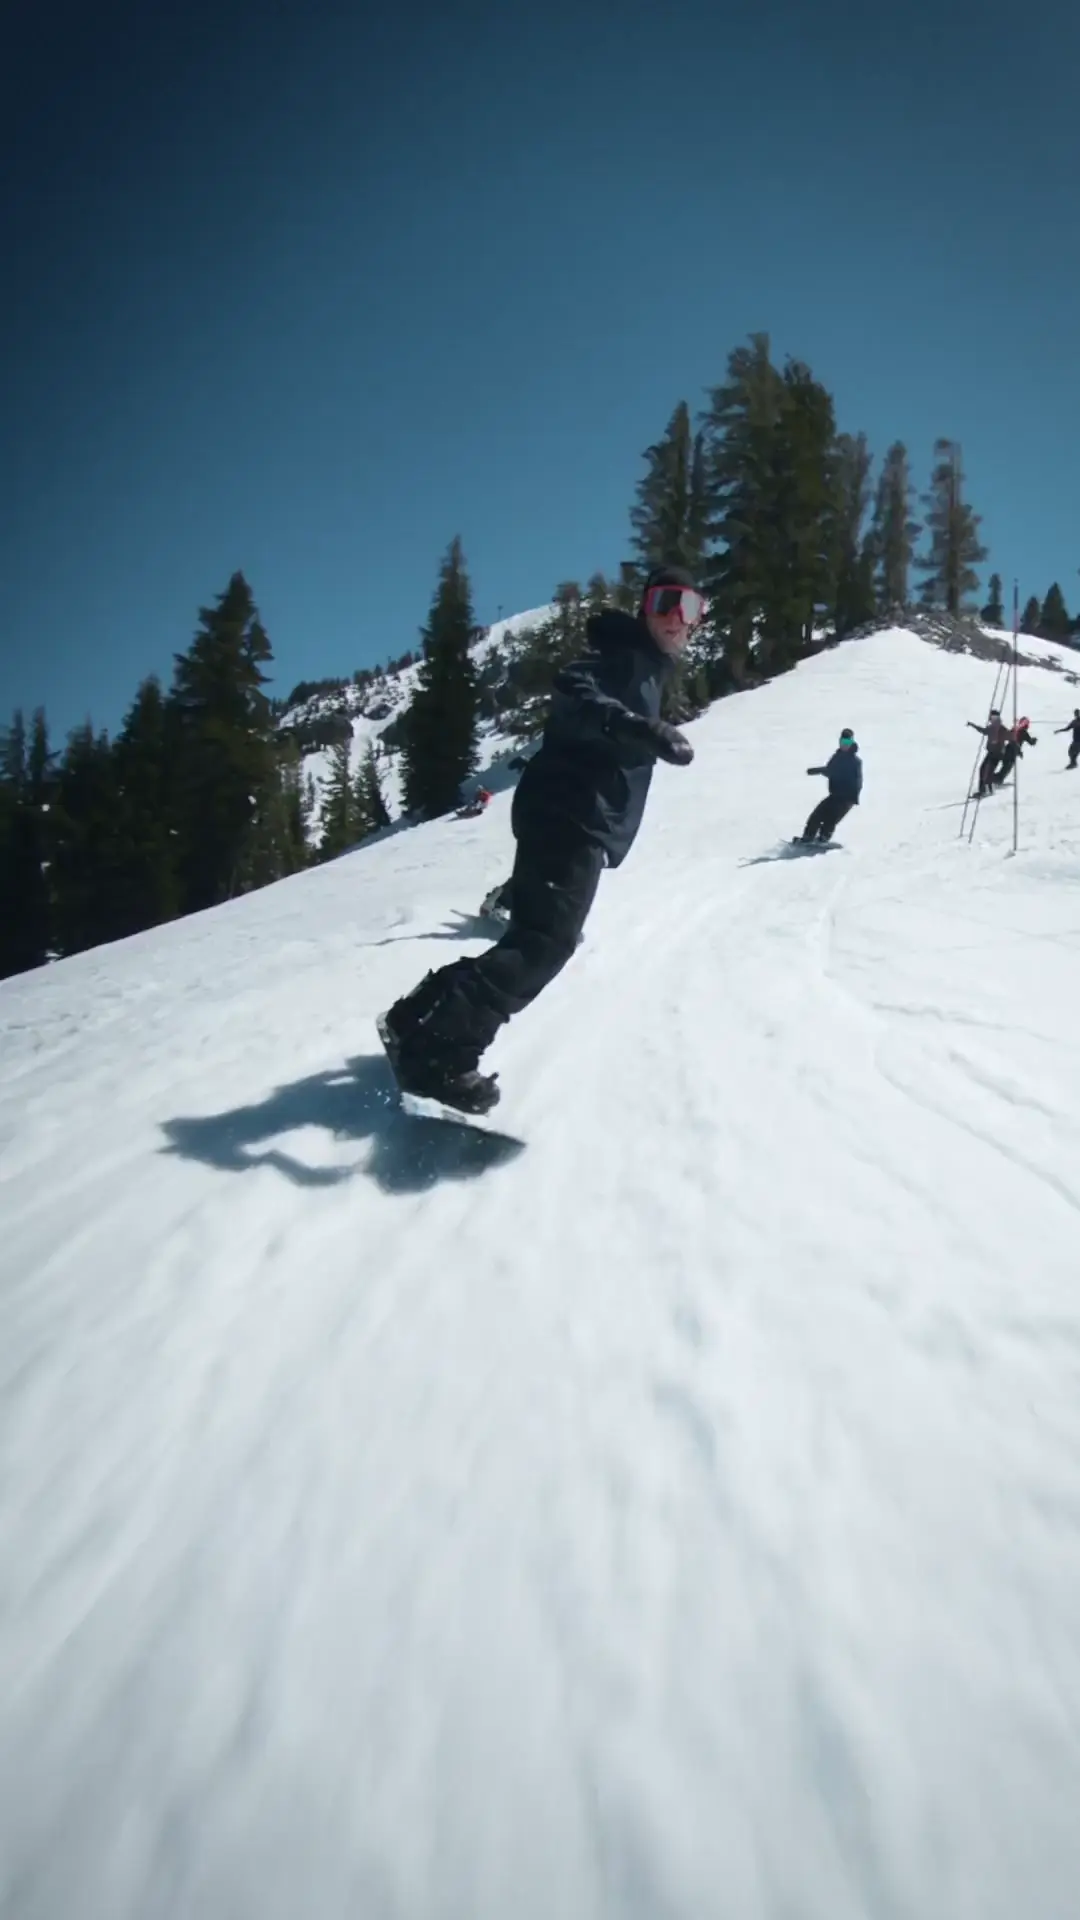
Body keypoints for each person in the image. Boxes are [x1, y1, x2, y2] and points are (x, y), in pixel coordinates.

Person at [379, 566, 703, 1113]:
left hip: (569, 813)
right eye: (667, 602)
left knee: (534, 937)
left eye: (692, 608)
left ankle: (420, 1016)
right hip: (568, 812)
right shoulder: (619, 656)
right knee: (544, 945)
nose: (678, 618)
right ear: (645, 606)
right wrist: (633, 726)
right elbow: (574, 690)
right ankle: (438, 1055)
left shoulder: (647, 668)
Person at [798, 729, 863, 843]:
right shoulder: (837, 756)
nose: (844, 745)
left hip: (847, 798)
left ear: (852, 743)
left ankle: (823, 839)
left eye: (847, 743)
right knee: (816, 815)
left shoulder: (855, 762)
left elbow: (857, 781)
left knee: (830, 820)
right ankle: (808, 837)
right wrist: (817, 771)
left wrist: (852, 798)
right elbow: (830, 770)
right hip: (835, 795)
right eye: (842, 742)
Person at [967, 710, 1009, 795]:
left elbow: (1008, 736)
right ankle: (987, 789)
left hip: (996, 754)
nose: (990, 719)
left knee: (986, 770)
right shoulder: (992, 727)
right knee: (984, 770)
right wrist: (973, 725)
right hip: (992, 753)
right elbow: (983, 731)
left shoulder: (1000, 728)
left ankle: (985, 790)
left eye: (992, 717)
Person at [993, 717, 1037, 786]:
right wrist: (1034, 740)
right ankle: (996, 779)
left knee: (1005, 766)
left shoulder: (1015, 730)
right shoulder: (1023, 732)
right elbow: (1031, 742)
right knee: (1007, 767)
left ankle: (995, 779)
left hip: (1007, 749)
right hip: (1012, 751)